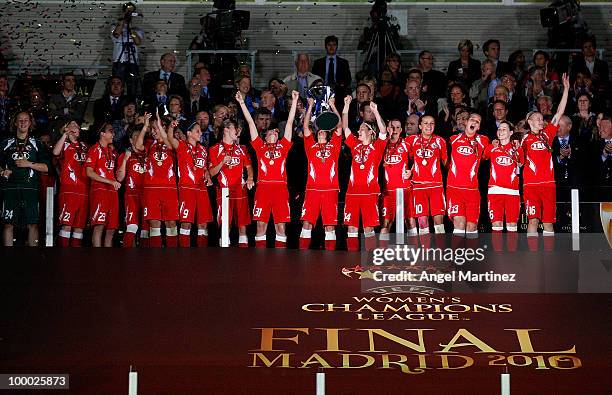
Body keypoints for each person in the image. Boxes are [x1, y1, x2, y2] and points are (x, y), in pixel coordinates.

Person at [237, 90, 299, 248]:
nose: (273, 132)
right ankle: (260, 262)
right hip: (263, 188)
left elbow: (290, 123)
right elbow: (251, 122)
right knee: (260, 226)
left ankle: (280, 262)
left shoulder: (284, 147)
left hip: (280, 189)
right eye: (270, 130)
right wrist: (242, 103)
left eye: (276, 131)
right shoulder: (259, 147)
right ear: (264, 136)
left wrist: (294, 100)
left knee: (280, 227)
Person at [521, 73, 570, 238]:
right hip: (531, 186)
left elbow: (559, 112)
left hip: (549, 184)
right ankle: (532, 258)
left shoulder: (547, 134)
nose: (541, 121)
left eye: (542, 119)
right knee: (533, 220)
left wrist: (566, 90)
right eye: (538, 119)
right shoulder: (524, 139)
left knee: (548, 222)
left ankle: (549, 258)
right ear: (529, 121)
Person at [341, 97, 387, 251]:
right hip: (352, 193)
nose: (358, 131)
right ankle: (351, 259)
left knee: (368, 229)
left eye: (362, 129)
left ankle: (370, 260)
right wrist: (346, 106)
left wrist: (375, 111)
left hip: (370, 193)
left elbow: (383, 131)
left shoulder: (377, 147)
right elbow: (345, 126)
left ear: (370, 132)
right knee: (352, 229)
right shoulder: (354, 145)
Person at [299, 96, 343, 250]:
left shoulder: (334, 147)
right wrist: (310, 106)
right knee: (306, 224)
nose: (321, 133)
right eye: (318, 132)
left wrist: (332, 105)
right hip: (312, 190)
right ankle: (302, 257)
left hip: (331, 191)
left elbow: (339, 127)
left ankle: (329, 259)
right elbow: (305, 128)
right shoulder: (310, 146)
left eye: (324, 132)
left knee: (330, 226)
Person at [0, 112, 50, 246]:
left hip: (30, 188)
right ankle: (8, 258)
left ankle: (32, 259)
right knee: (8, 224)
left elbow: (46, 167)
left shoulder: (37, 143)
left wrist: (29, 164)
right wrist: (2, 171)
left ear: (30, 123)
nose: (23, 122)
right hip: (10, 188)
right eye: (20, 120)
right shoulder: (6, 143)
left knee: (32, 224)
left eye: (26, 120)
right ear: (15, 123)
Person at [164, 119, 214, 248]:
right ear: (189, 133)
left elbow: (204, 168)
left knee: (203, 224)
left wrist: (207, 175)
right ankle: (184, 257)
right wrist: (171, 127)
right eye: (197, 131)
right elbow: (169, 138)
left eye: (200, 131)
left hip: (202, 189)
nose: (200, 133)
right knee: (186, 223)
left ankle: (202, 257)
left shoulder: (203, 149)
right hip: (187, 189)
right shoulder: (181, 145)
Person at [208, 118, 254, 248]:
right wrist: (222, 162)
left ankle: (244, 256)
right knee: (225, 224)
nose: (238, 131)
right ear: (226, 129)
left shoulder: (242, 148)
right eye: (235, 128)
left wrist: (250, 178)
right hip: (223, 191)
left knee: (242, 224)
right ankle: (224, 254)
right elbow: (211, 173)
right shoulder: (214, 149)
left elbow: (249, 167)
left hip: (240, 189)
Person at [137, 115, 180, 248]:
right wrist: (145, 127)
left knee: (171, 223)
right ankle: (155, 258)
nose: (153, 131)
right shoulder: (150, 144)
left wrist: (161, 127)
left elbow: (169, 144)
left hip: (169, 189)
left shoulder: (172, 142)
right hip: (151, 190)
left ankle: (172, 257)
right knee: (154, 224)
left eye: (154, 128)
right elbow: (138, 146)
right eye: (152, 129)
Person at [446, 113, 490, 238]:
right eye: (472, 119)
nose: (474, 122)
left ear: (479, 127)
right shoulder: (453, 139)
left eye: (477, 121)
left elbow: (487, 156)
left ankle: (471, 256)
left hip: (472, 191)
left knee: (472, 227)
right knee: (459, 223)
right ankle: (457, 257)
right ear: (466, 122)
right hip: (454, 189)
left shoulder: (484, 140)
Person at [482, 122, 523, 249]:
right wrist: (491, 146)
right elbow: (483, 157)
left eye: (504, 129)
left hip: (512, 192)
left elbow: (521, 164)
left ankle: (511, 257)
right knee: (497, 225)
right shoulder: (492, 147)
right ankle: (497, 257)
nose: (500, 131)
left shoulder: (517, 148)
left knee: (512, 226)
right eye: (499, 129)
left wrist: (517, 149)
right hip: (495, 192)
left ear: (511, 133)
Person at [405, 115, 448, 235]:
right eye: (425, 123)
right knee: (422, 222)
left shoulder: (440, 141)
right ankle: (425, 251)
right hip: (418, 186)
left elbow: (446, 164)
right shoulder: (411, 140)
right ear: (420, 126)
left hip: (436, 186)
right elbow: (407, 158)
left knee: (438, 222)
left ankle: (440, 252)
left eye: (432, 123)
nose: (429, 126)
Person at [52, 120, 89, 247]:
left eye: (77, 126)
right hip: (69, 190)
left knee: (79, 227)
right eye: (71, 125)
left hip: (84, 191)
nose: (75, 127)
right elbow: (55, 152)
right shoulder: (64, 144)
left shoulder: (84, 146)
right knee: (67, 225)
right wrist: (64, 135)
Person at [116, 114, 151, 248]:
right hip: (131, 195)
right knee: (132, 226)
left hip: (147, 194)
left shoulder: (148, 153)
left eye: (140, 137)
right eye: (136, 137)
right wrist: (125, 160)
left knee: (145, 229)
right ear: (130, 140)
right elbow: (119, 178)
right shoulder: (124, 156)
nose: (139, 140)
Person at [379, 118, 416, 244]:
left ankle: (415, 253)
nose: (394, 130)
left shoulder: (407, 144)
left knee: (410, 222)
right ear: (387, 129)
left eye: (397, 127)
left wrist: (411, 171)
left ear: (401, 129)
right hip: (388, 192)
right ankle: (381, 256)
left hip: (405, 190)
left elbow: (417, 160)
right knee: (385, 224)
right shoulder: (381, 145)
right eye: (391, 127)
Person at [85, 123, 121, 247]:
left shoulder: (112, 152)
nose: (113, 134)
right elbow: (89, 172)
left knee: (111, 228)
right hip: (99, 190)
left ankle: (107, 259)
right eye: (110, 131)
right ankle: (97, 259)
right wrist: (110, 181)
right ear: (102, 134)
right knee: (99, 226)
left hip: (113, 192)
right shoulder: (94, 149)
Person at [111, 2, 144, 96]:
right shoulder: (114, 26)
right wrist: (123, 20)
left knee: (133, 86)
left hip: (133, 62)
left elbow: (137, 41)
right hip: (119, 61)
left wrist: (130, 28)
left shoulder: (137, 29)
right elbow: (116, 34)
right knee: (117, 86)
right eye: (127, 11)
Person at [312, 35, 352, 108]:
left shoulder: (344, 62)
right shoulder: (318, 63)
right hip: (322, 92)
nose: (331, 47)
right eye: (329, 45)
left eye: (334, 45)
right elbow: (314, 80)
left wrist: (340, 85)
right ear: (325, 46)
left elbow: (348, 80)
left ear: (337, 46)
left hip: (339, 93)